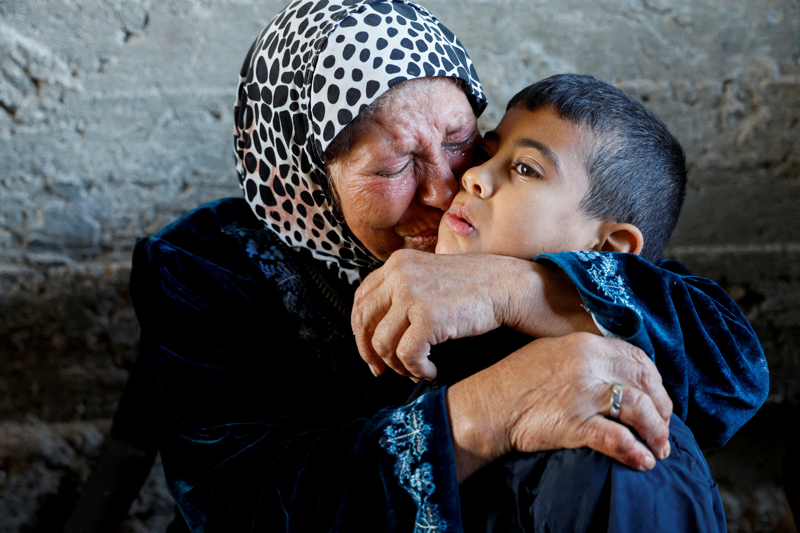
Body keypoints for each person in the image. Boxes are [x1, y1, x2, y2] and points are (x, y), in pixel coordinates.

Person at [129, 1, 767, 531]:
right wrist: (494, 406)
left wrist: (515, 290)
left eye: (464, 142)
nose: (446, 189)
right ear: (308, 180)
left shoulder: (516, 237)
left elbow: (729, 376)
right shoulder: (203, 268)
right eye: (392, 167)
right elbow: (239, 507)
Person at [388, 73, 741, 531]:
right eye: (487, 153)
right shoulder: (446, 351)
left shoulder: (612, 446)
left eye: (526, 169)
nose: (473, 176)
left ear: (609, 250)